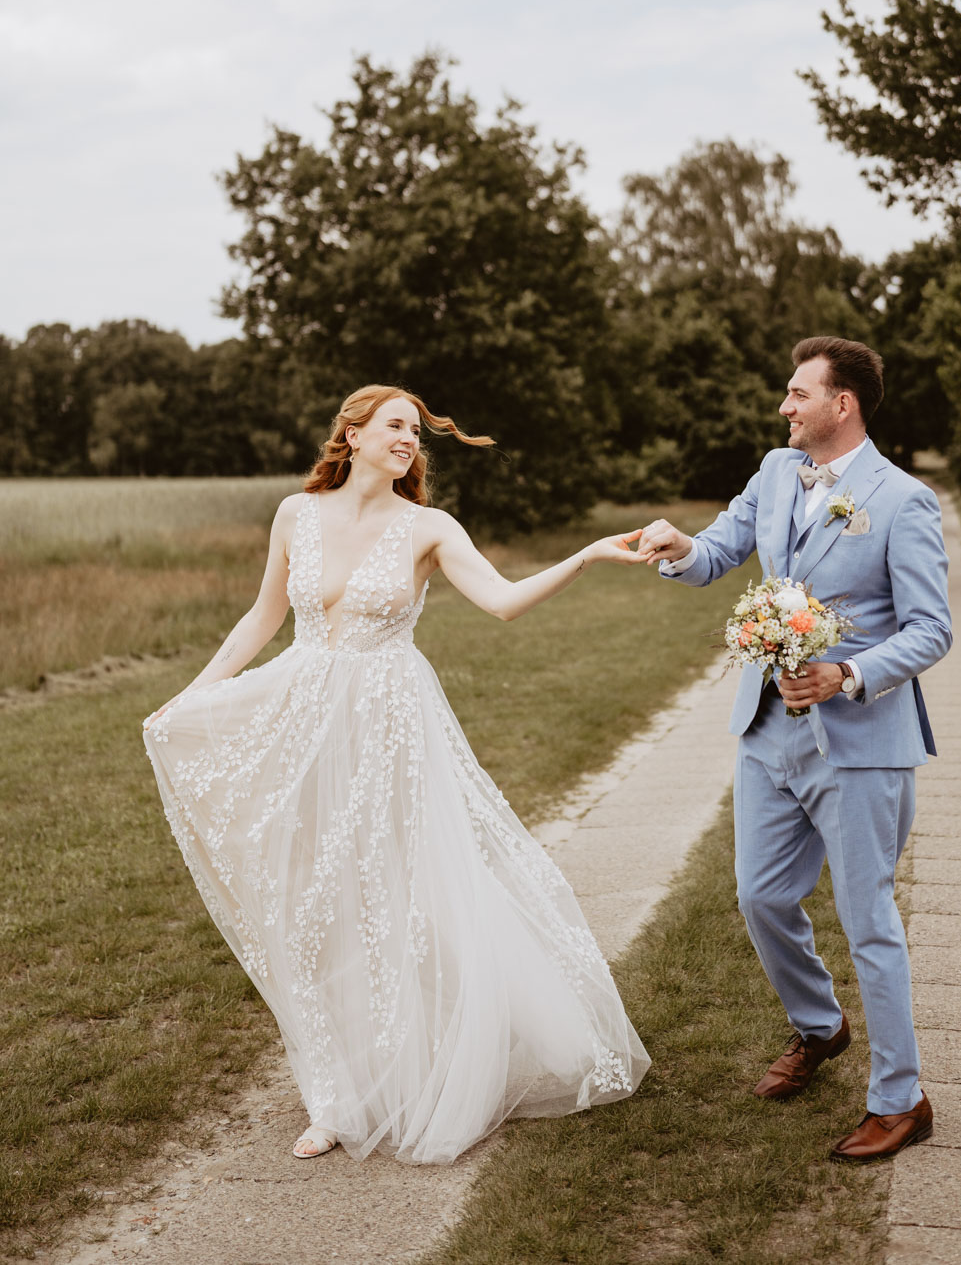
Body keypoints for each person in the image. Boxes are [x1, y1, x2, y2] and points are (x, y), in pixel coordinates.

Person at [144, 384, 649, 1166]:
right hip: (304, 720)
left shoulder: (429, 528)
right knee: (315, 908)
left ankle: (430, 1066)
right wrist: (188, 698)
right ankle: (335, 1099)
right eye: (394, 425)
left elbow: (503, 602)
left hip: (390, 728)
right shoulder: (295, 515)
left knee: (402, 902)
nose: (409, 439)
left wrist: (584, 554)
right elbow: (261, 619)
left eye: (416, 430)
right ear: (351, 433)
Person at [636, 336, 950, 1162]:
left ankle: (901, 1098)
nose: (784, 407)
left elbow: (930, 630)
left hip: (860, 744)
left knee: (867, 919)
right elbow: (718, 552)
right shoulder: (777, 472)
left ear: (839, 404)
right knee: (760, 896)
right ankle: (819, 1026)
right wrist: (677, 549)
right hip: (766, 730)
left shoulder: (903, 499)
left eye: (796, 394)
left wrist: (847, 671)